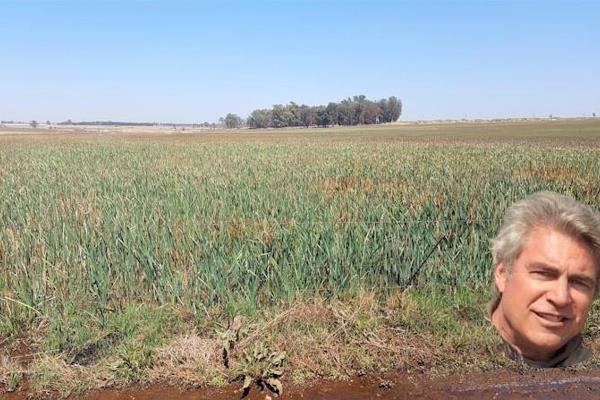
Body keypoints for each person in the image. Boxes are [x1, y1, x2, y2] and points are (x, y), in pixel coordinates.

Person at [489, 191, 600, 368]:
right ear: (502, 274)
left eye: (579, 282)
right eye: (544, 274)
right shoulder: (444, 366)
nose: (561, 297)